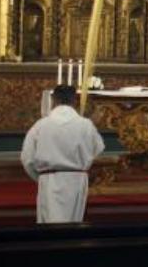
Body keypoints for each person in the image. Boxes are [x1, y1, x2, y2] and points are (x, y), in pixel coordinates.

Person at [20, 85, 105, 223]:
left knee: (49, 225)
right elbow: (97, 149)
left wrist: (40, 177)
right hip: (77, 180)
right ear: (75, 100)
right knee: (74, 224)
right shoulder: (86, 125)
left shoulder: (41, 125)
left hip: (49, 180)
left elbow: (27, 158)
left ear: (53, 100)